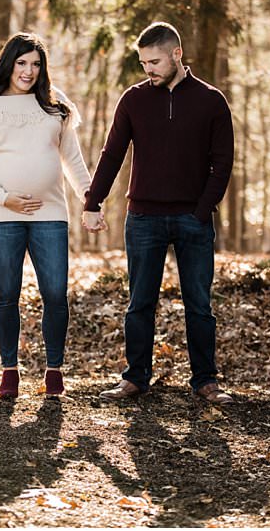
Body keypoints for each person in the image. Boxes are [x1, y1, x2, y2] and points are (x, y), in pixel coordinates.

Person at [83, 22, 237, 404]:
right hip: (144, 218)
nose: (147, 69)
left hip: (193, 219)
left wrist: (203, 211)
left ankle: (205, 381)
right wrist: (92, 201)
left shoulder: (211, 100)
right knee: (139, 303)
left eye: (154, 61)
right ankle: (135, 378)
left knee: (199, 304)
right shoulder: (133, 100)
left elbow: (223, 162)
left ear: (177, 55)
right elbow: (112, 154)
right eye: (143, 62)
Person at [0, 32, 91, 399]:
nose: (29, 71)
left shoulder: (54, 104)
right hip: (2, 214)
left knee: (55, 292)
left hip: (50, 212)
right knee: (7, 294)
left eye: (36, 64)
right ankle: (9, 371)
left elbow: (73, 159)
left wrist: (89, 200)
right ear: (8, 63)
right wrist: (4, 197)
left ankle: (54, 371)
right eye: (22, 63)